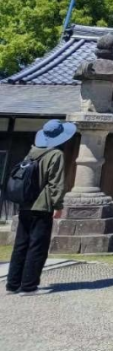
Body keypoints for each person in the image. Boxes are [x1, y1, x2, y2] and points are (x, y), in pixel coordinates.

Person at [5, 119, 74, 295]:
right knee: (37, 246)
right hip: (42, 205)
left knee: (21, 244)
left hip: (25, 204)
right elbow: (56, 183)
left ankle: (13, 284)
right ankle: (29, 286)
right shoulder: (55, 154)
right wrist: (58, 205)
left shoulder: (32, 153)